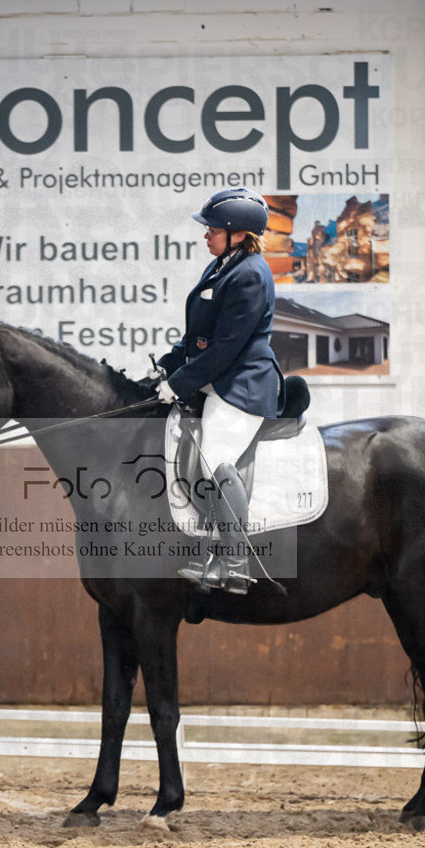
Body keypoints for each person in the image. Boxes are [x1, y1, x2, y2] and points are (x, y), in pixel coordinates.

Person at [153, 187, 285, 593]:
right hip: (220, 377)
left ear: (239, 234)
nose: (206, 234)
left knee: (214, 458)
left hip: (242, 384)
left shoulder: (249, 274)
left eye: (213, 229)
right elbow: (200, 335)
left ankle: (235, 563)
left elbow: (227, 347)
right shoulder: (223, 265)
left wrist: (179, 385)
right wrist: (168, 365)